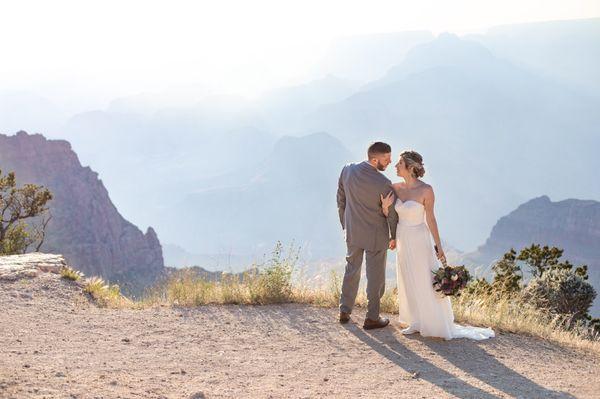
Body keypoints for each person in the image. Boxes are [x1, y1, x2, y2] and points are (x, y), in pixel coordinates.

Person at [381, 150, 495, 340]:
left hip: (419, 238)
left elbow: (431, 219)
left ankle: (431, 322)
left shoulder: (426, 190)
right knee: (407, 276)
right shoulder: (395, 187)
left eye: (400, 163)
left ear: (410, 167)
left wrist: (439, 246)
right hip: (402, 237)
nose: (396, 166)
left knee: (423, 278)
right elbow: (391, 215)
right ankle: (415, 321)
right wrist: (386, 210)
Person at [337, 142, 399, 330]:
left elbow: (341, 199)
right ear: (374, 159)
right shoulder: (383, 183)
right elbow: (392, 213)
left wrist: (345, 224)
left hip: (353, 231)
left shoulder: (347, 170)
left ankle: (344, 311)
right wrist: (393, 235)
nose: (390, 162)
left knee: (351, 269)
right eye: (386, 159)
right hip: (376, 234)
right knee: (376, 277)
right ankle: (372, 317)